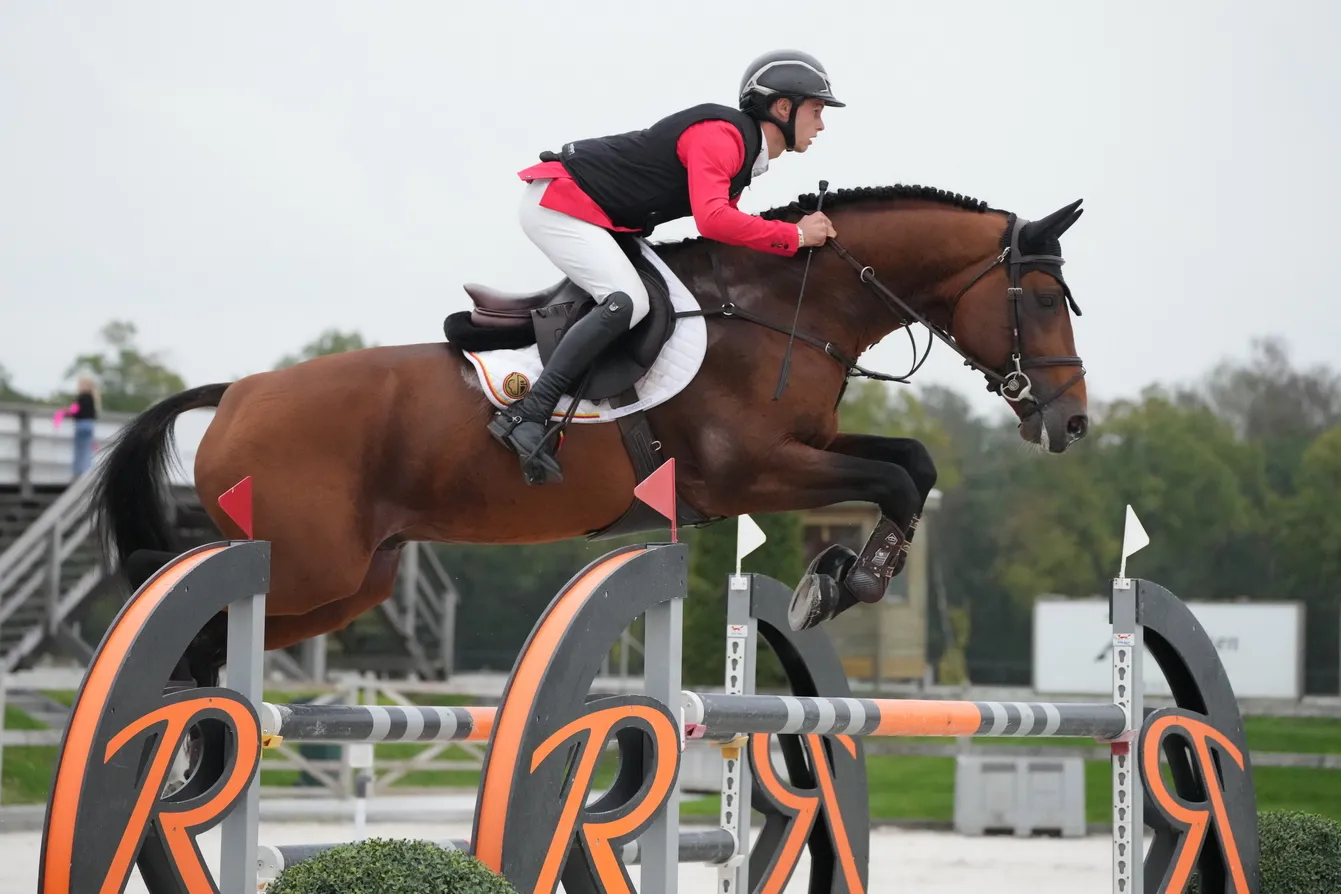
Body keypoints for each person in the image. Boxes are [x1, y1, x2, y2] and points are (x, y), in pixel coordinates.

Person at [488, 49, 844, 485]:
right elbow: (713, 219)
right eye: (817, 110)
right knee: (627, 302)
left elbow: (722, 227)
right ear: (783, 107)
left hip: (600, 217)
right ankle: (528, 412)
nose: (822, 124)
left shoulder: (742, 151)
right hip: (559, 205)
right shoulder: (723, 137)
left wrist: (790, 238)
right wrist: (794, 235)